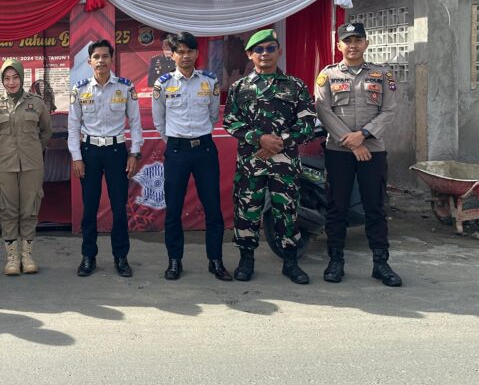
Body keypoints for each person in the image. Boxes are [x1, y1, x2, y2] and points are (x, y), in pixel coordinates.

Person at [222, 29, 316, 284]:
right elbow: (230, 122)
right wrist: (258, 139)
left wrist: (280, 142)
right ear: (250, 55)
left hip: (284, 162)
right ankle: (246, 259)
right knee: (247, 209)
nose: (265, 54)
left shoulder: (295, 86)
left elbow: (308, 123)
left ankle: (290, 261)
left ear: (279, 51)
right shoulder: (239, 87)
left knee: (286, 209)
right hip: (251, 161)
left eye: (270, 48)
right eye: (259, 50)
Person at [315, 22, 402, 287]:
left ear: (366, 43)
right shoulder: (327, 76)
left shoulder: (382, 75)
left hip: (373, 151)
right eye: (347, 40)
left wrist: (363, 135)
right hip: (339, 151)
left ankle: (381, 262)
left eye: (357, 40)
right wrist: (352, 143)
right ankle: (335, 260)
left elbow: (389, 111)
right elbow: (323, 111)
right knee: (337, 206)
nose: (352, 45)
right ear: (338, 45)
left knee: (374, 206)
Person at [152, 32, 232, 282]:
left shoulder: (209, 81)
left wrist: (196, 136)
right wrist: (177, 141)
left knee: (213, 208)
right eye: (180, 52)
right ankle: (174, 261)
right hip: (176, 150)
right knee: (173, 209)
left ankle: (216, 261)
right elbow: (159, 121)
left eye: (190, 52)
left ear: (197, 53)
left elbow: (212, 116)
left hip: (204, 150)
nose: (185, 57)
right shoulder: (162, 84)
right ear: (172, 55)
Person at [67, 39, 143, 277]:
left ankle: (121, 257)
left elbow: (136, 124)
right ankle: (88, 256)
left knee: (119, 208)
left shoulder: (125, 87)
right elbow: (73, 127)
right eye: (96, 57)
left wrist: (134, 153)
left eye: (105, 56)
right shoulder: (79, 89)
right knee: (89, 209)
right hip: (89, 153)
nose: (101, 60)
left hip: (116, 152)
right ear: (89, 62)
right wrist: (77, 157)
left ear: (112, 59)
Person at [0, 59, 53, 275]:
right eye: (7, 78)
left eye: (15, 77)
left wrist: (33, 150)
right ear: (2, 80)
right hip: (4, 166)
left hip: (32, 165)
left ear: (22, 78)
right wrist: (2, 152)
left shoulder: (37, 103)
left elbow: (46, 132)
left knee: (30, 209)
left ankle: (27, 255)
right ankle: (12, 258)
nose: (11, 82)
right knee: (7, 210)